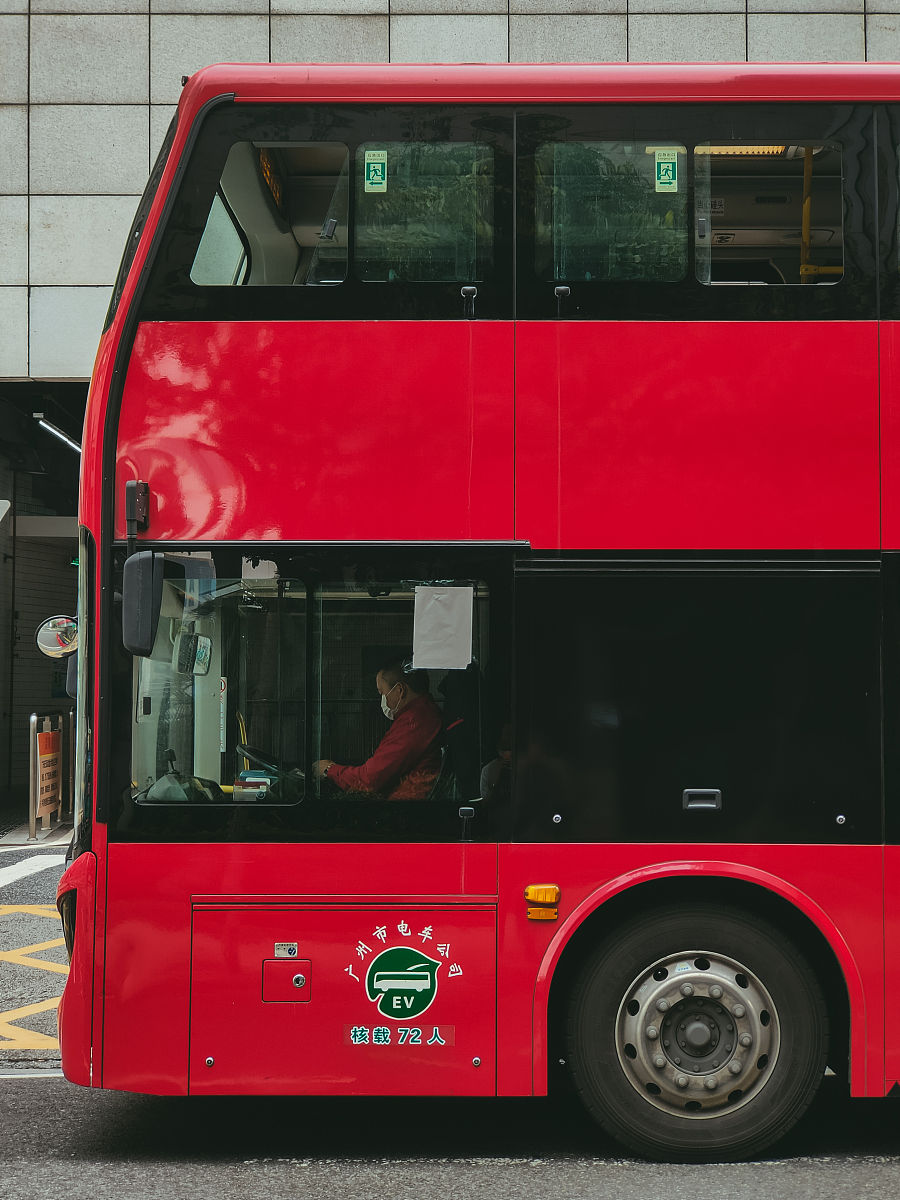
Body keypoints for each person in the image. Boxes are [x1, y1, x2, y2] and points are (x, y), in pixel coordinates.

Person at [314, 657, 442, 800]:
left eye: (382, 693)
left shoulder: (414, 722)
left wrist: (329, 770)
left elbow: (370, 780)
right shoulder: (424, 713)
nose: (383, 699)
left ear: (400, 690)